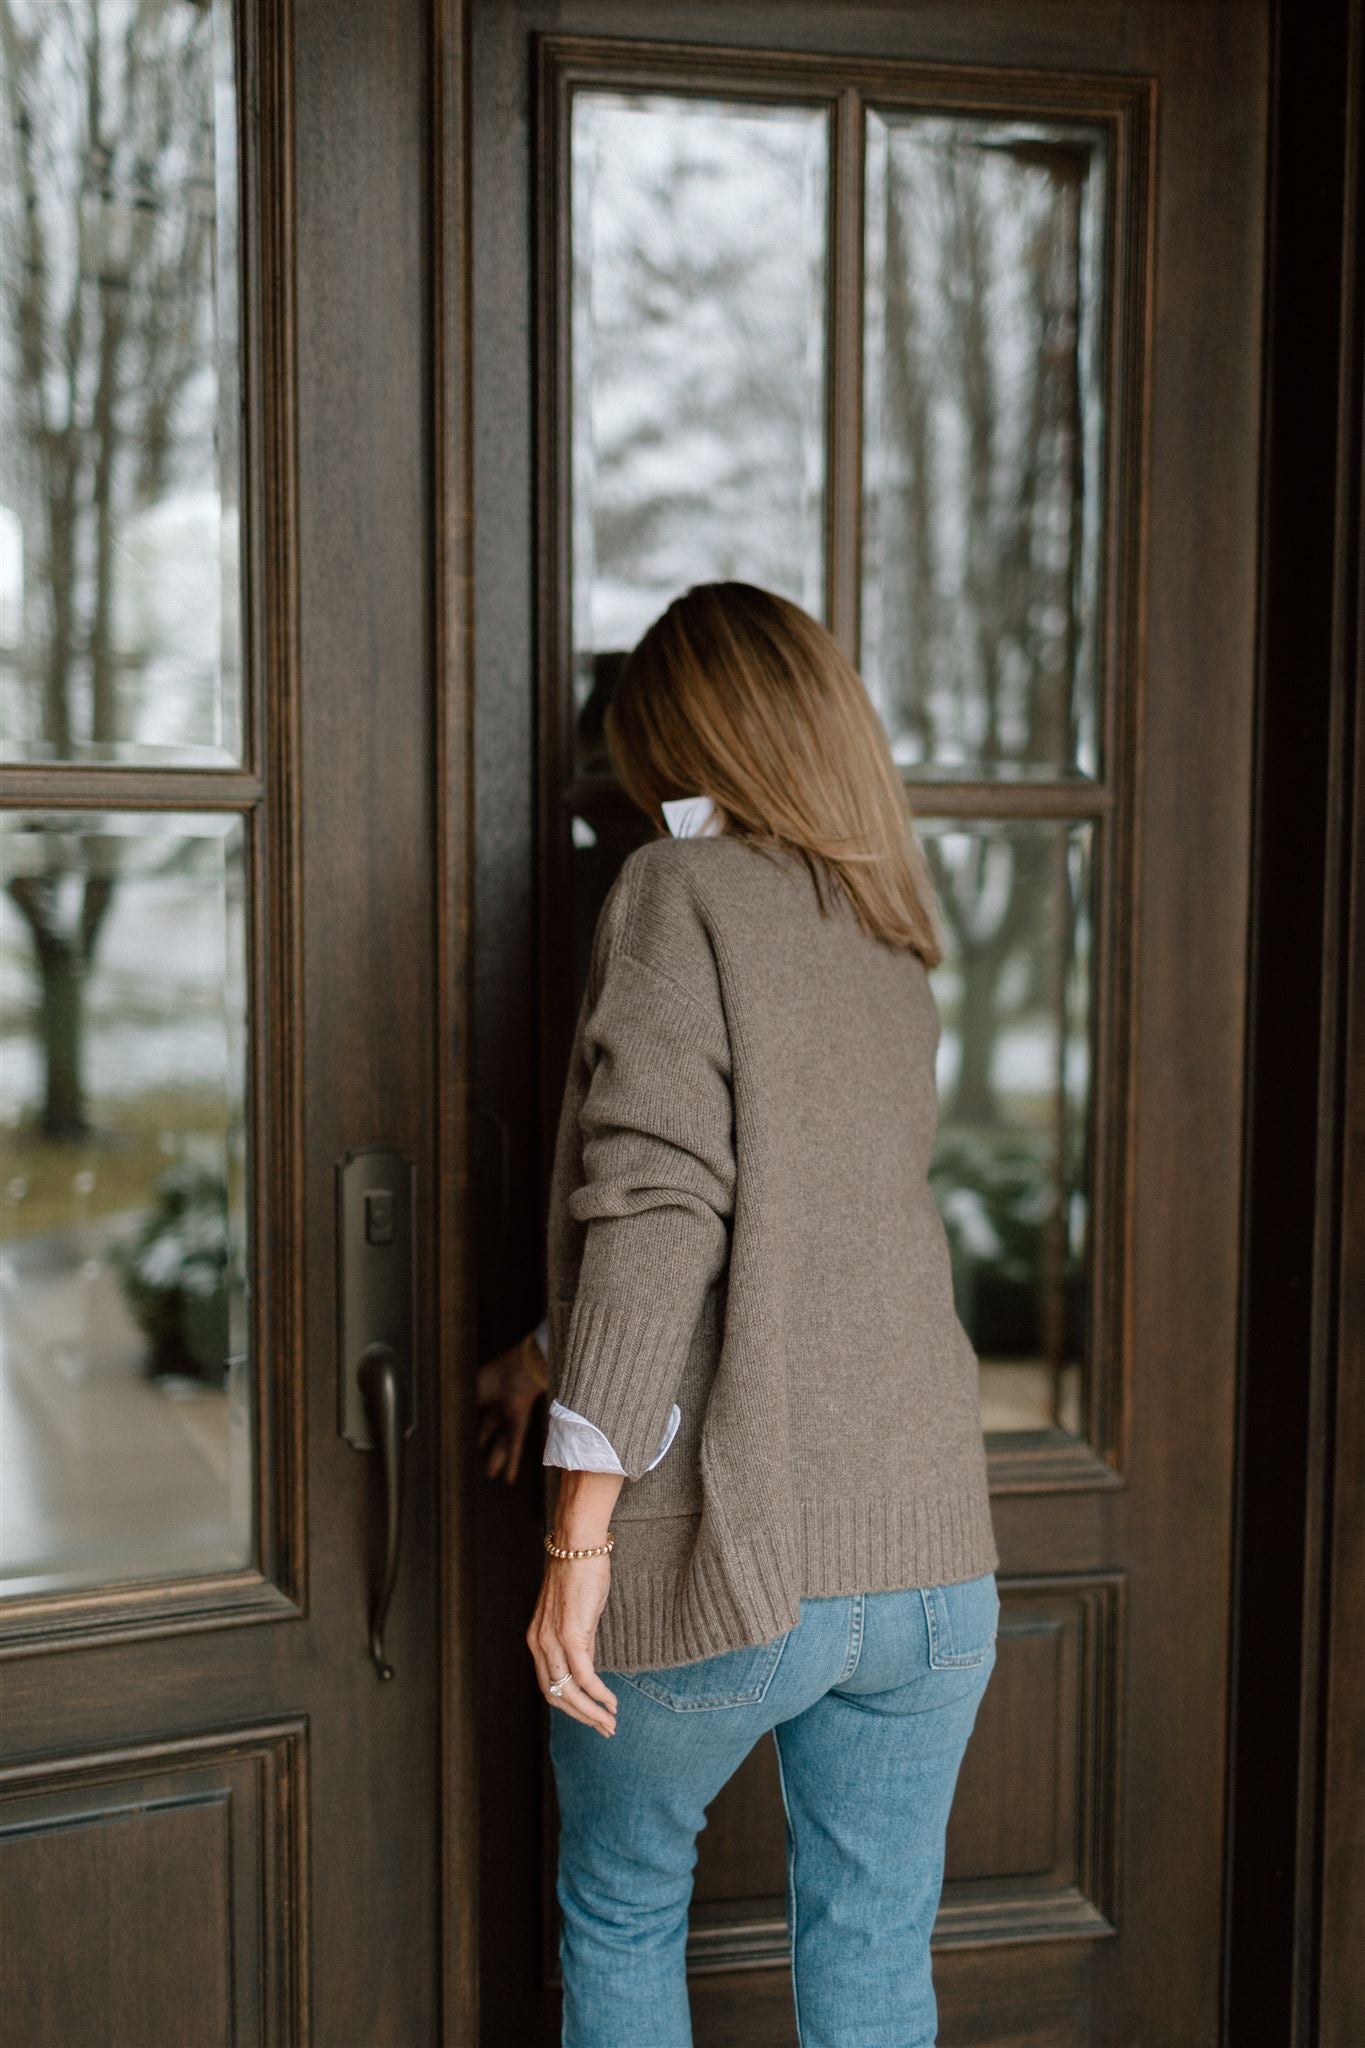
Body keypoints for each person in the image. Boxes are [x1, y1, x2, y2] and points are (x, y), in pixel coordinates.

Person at [477, 581, 1000, 2048]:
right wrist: (538, 1357)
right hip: (930, 1569)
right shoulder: (885, 930)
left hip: (733, 1549)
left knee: (625, 1906)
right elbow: (797, 1231)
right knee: (875, 1946)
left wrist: (577, 1541)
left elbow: (658, 1218)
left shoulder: (676, 890)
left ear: (678, 734)